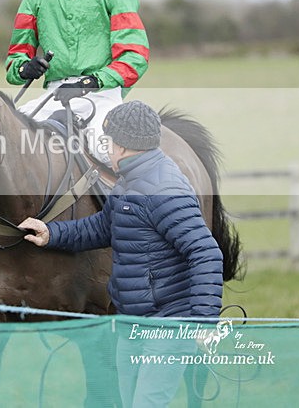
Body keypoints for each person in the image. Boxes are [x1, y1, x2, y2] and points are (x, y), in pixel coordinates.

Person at [20, 100, 223, 407]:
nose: (107, 149)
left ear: (125, 147)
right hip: (131, 323)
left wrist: (204, 324)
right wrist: (52, 234)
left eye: (109, 142)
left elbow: (206, 252)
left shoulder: (164, 190)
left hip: (168, 327)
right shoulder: (128, 183)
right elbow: (103, 228)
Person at [6, 0, 150, 162]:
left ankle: (139, 203)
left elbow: (134, 57)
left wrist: (90, 82)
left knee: (107, 152)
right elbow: (15, 60)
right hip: (53, 95)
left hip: (102, 95)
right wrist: (25, 68)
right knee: (3, 145)